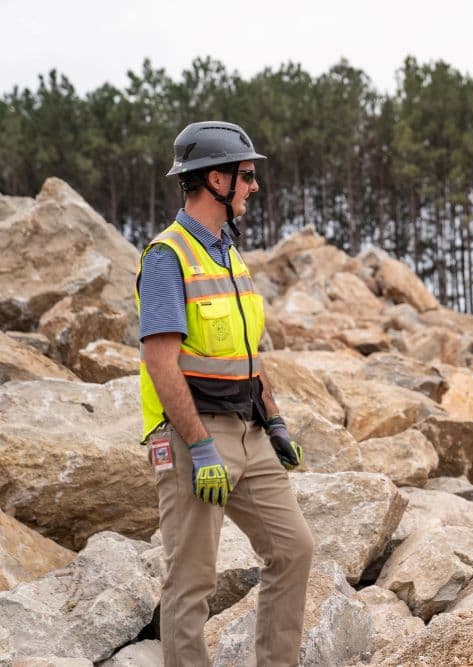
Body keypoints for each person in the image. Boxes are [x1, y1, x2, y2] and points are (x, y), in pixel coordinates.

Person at [137, 121, 314, 667]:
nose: (253, 187)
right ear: (216, 179)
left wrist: (276, 419)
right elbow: (160, 361)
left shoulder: (229, 253)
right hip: (193, 436)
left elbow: (248, 349)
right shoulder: (169, 256)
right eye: (246, 176)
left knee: (294, 548)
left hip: (249, 428)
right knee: (190, 580)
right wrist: (200, 446)